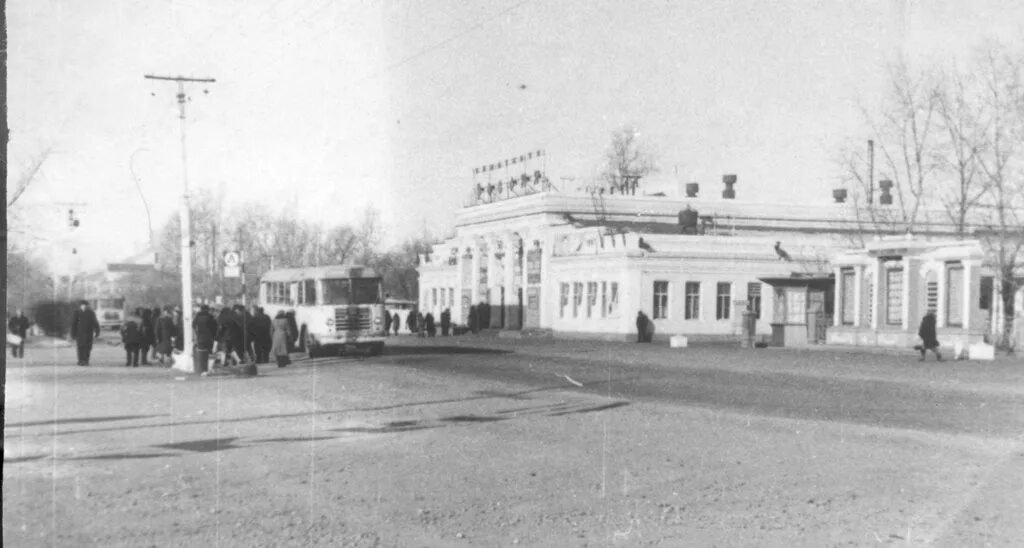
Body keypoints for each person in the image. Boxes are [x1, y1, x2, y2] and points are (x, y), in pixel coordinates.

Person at [70, 301, 100, 366]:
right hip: (79, 334)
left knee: (88, 348)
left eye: (85, 305)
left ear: (87, 306)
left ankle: (86, 361)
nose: (84, 306)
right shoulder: (76, 312)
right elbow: (73, 324)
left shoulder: (91, 312)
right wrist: (73, 334)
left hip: (89, 333)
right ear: (80, 306)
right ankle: (80, 361)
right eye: (82, 305)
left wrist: (97, 331)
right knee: (80, 347)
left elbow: (95, 322)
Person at [193, 304, 218, 369]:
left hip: (200, 337)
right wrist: (213, 336)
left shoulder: (197, 317)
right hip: (209, 338)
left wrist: (196, 334)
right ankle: (208, 367)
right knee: (209, 352)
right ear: (208, 310)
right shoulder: (210, 317)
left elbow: (193, 326)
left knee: (201, 352)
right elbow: (214, 327)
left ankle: (201, 367)